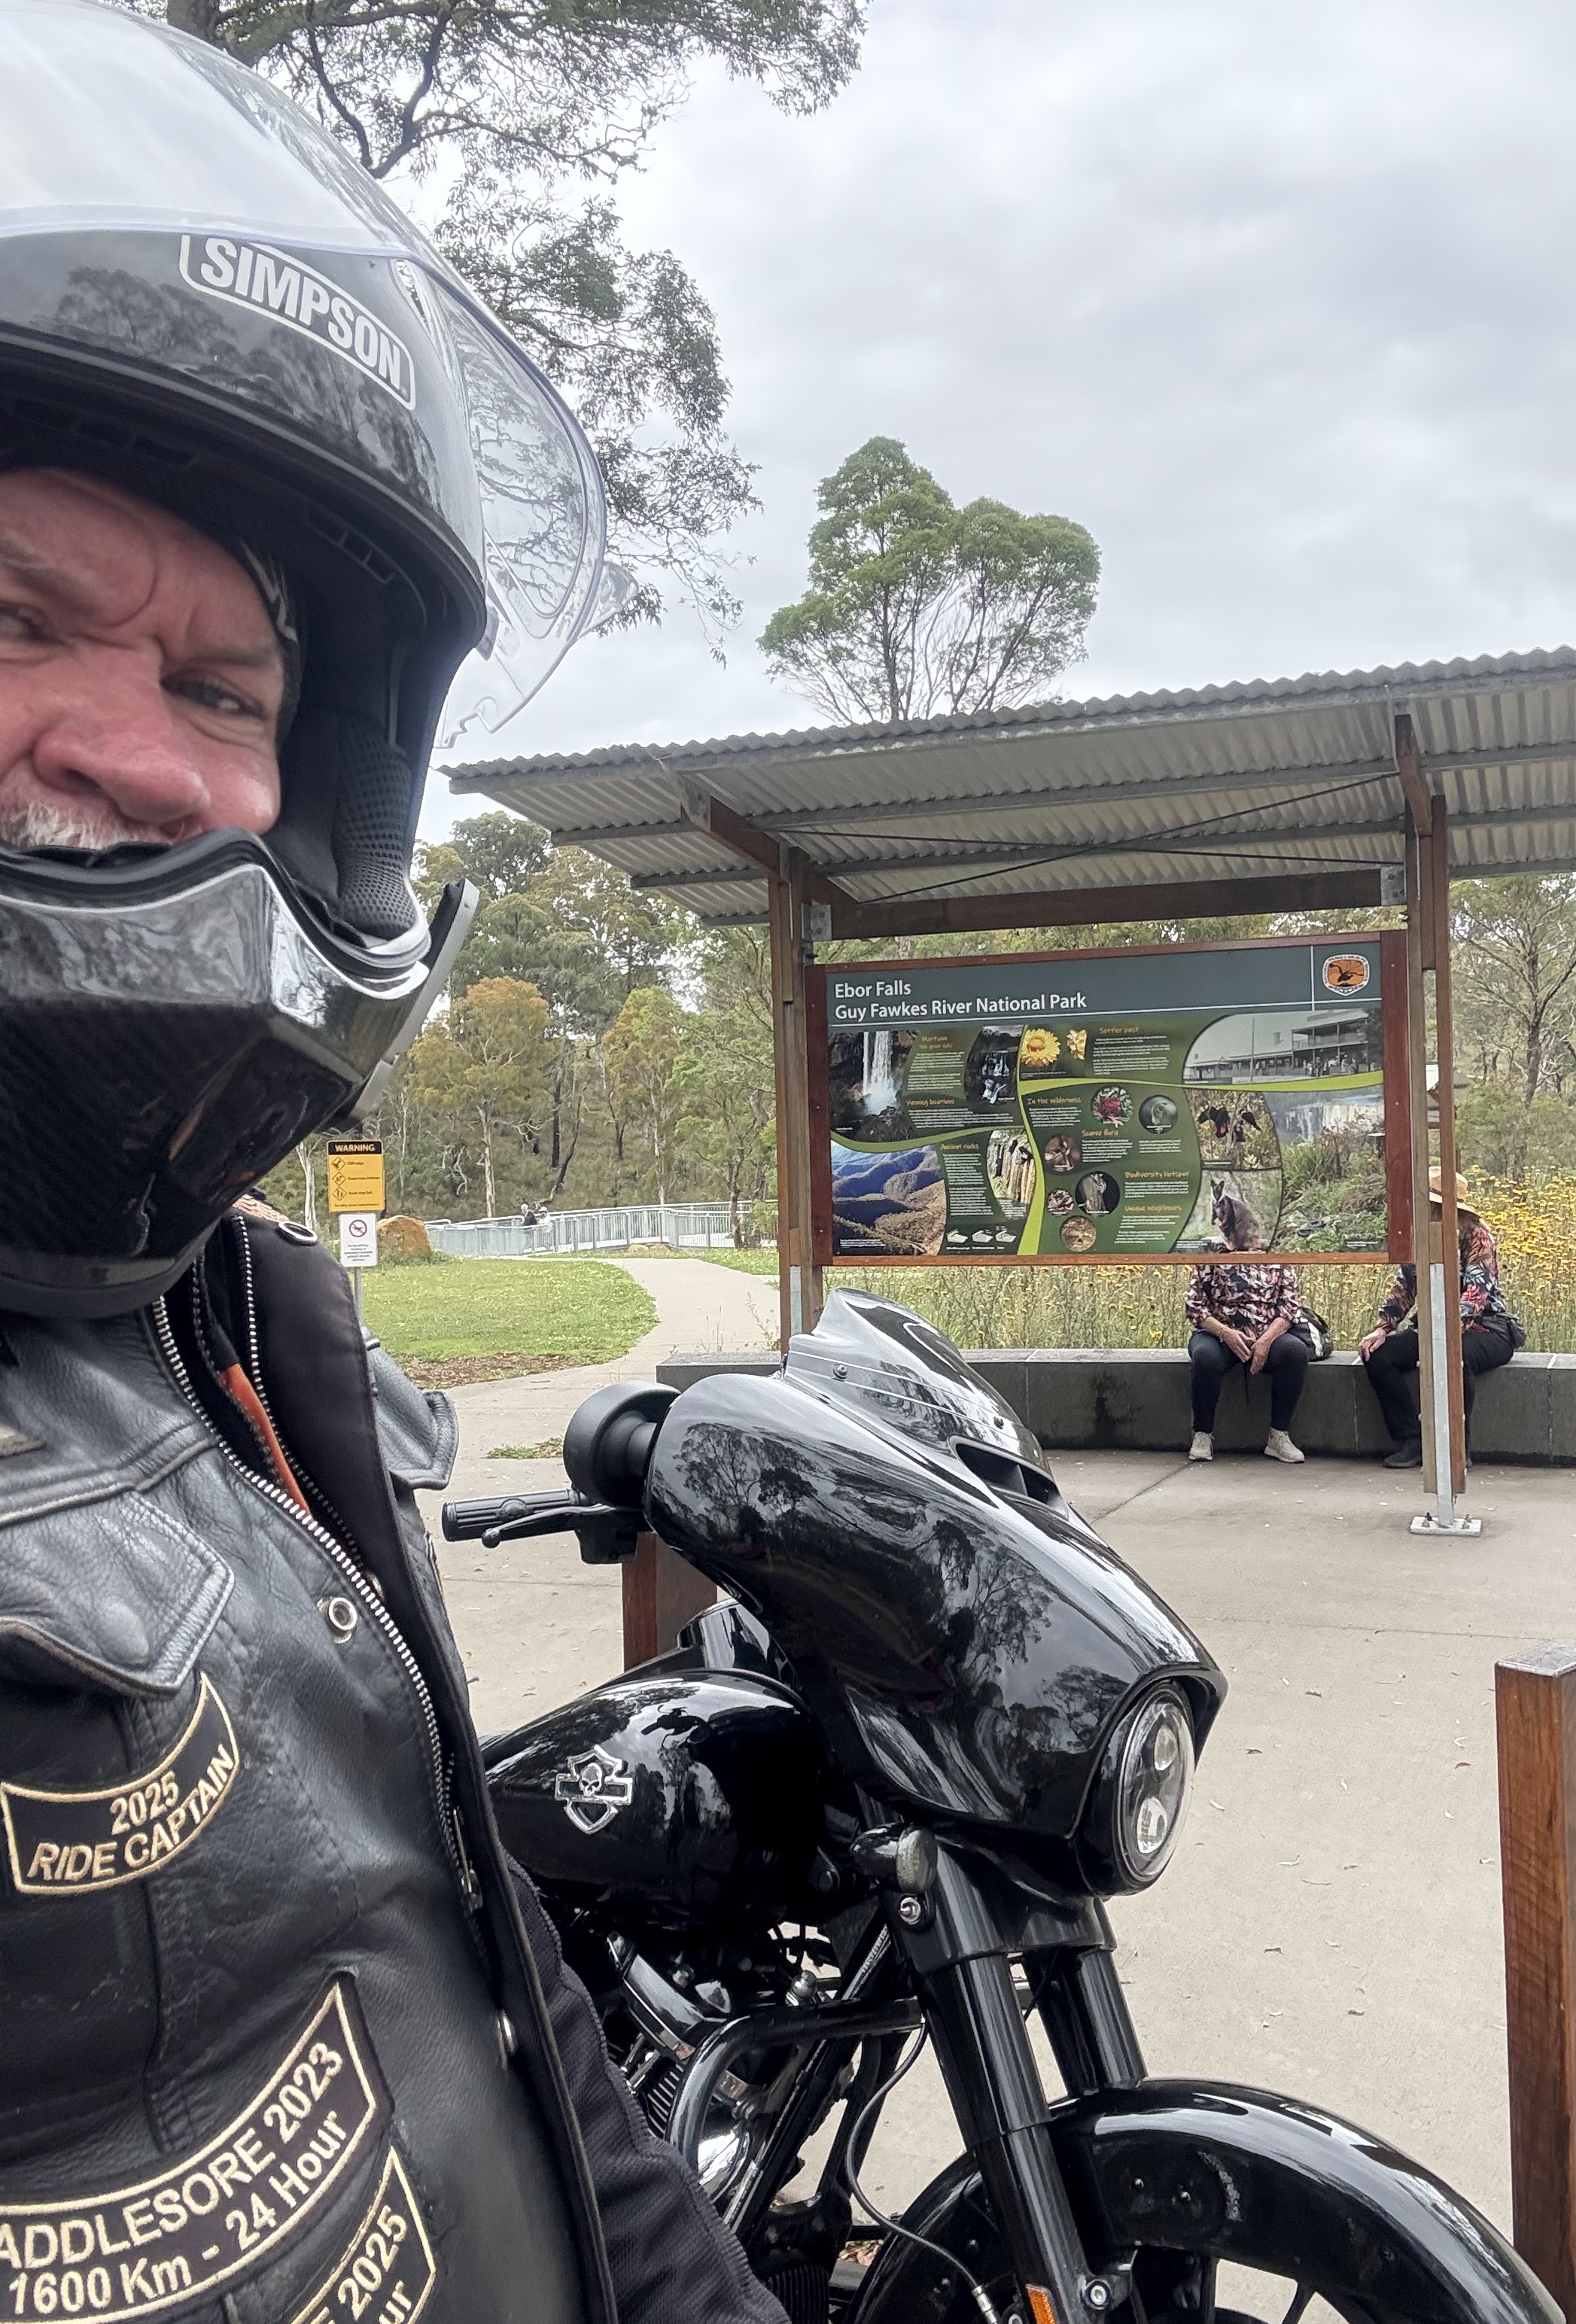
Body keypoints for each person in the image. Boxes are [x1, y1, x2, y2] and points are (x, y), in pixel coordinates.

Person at [0, 14, 780, 2324]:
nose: (148, 759)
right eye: (16, 617)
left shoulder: (241, 1325)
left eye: (229, 691)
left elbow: (499, 1991)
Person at [1358, 1167, 1519, 1468]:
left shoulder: (1477, 1237)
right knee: (1379, 1356)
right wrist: (1383, 1328)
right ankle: (1412, 1440)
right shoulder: (1420, 1237)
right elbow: (1405, 1287)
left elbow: (1475, 1296)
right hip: (1434, 1325)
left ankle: (1458, 1448)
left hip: (1487, 1328)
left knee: (1455, 1357)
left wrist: (1442, 1335)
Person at [1185, 1256, 1310, 1463]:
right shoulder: (1210, 1257)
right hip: (1218, 1333)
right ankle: (1202, 1434)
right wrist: (1226, 1333)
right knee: (1204, 1358)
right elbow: (1194, 1307)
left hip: (1267, 1333)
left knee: (1295, 1353)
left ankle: (1278, 1435)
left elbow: (1290, 1308)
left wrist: (1266, 1340)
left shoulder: (1277, 1258)